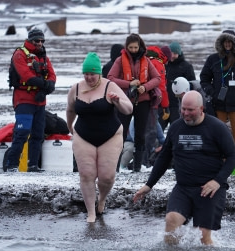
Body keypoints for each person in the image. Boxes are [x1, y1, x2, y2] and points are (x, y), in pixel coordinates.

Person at [133, 91, 235, 245]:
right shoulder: (176, 127)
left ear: (201, 108)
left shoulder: (217, 127)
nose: (185, 113)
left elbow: (233, 157)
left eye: (190, 110)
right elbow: (164, 158)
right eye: (183, 109)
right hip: (183, 187)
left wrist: (217, 181)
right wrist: (149, 185)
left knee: (203, 237)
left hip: (209, 189)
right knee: (171, 221)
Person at [66, 52, 133, 223]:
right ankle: (91, 213)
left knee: (106, 176)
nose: (88, 77)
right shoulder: (76, 88)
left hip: (110, 135)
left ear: (99, 73)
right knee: (86, 174)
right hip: (83, 135)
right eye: (86, 73)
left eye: (92, 74)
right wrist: (69, 126)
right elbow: (70, 109)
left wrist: (117, 102)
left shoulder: (109, 86)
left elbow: (129, 109)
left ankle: (101, 199)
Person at [4, 28, 56, 173]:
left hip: (40, 101)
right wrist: (45, 85)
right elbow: (26, 75)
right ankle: (12, 165)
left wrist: (47, 88)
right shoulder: (20, 55)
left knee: (38, 133)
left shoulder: (44, 57)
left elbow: (52, 75)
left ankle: (33, 165)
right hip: (24, 99)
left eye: (41, 41)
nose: (39, 43)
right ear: (30, 40)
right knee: (22, 131)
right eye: (36, 41)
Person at [108, 33, 161, 172]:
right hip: (124, 101)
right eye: (130, 47)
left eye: (135, 47)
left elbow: (157, 78)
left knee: (140, 134)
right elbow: (111, 78)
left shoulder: (146, 61)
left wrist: (145, 87)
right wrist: (128, 83)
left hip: (142, 101)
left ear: (140, 46)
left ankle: (137, 166)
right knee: (121, 133)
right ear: (126, 47)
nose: (133, 50)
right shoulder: (120, 60)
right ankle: (116, 166)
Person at [200, 29, 235, 150]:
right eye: (225, 41)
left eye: (230, 41)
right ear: (221, 43)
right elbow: (204, 79)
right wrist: (212, 92)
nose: (228, 44)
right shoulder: (213, 59)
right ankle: (219, 162)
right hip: (218, 104)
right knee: (218, 135)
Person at [160, 41, 196, 131]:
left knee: (176, 129)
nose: (172, 55)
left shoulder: (186, 66)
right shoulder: (163, 65)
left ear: (179, 54)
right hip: (163, 103)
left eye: (175, 53)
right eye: (170, 53)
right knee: (158, 129)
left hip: (177, 104)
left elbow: (192, 84)